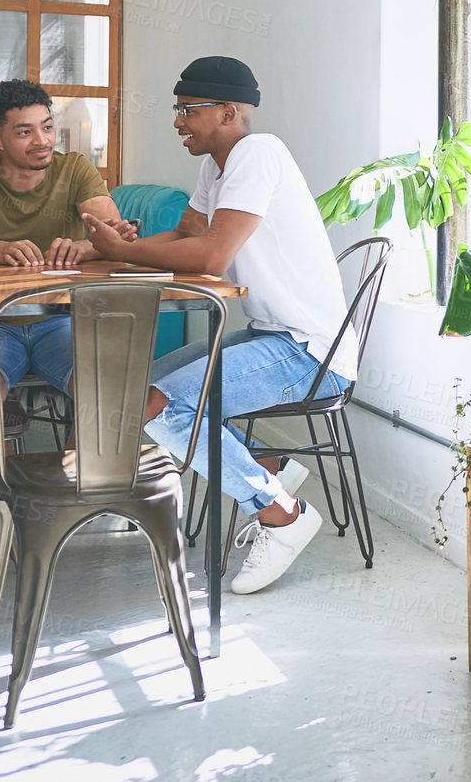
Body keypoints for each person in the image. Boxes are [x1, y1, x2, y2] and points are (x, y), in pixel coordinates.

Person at [81, 56, 354, 594]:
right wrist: (113, 252)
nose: (178, 122)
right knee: (134, 390)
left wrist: (122, 255)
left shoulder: (258, 152)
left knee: (152, 404)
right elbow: (189, 230)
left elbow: (210, 256)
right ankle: (265, 467)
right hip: (274, 336)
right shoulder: (217, 164)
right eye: (177, 110)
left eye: (188, 110)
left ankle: (281, 512)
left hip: (311, 353)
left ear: (229, 112)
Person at [0, 79, 129, 406]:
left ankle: (72, 460)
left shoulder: (75, 169)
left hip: (63, 319)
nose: (42, 141)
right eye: (25, 133)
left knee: (110, 394)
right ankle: (8, 462)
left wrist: (87, 246)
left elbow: (113, 234)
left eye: (47, 128)